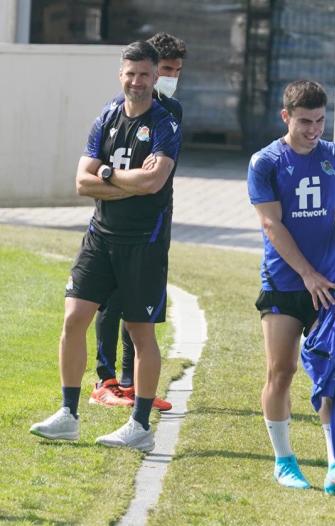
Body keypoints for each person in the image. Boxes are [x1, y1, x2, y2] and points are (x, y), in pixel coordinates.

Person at [29, 40, 181, 452]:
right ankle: (68, 414)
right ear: (121, 75)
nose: (137, 82)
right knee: (74, 317)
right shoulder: (107, 116)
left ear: (156, 77)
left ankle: (140, 424)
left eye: (145, 75)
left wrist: (107, 175)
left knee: (139, 332)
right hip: (100, 235)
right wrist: (122, 177)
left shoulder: (165, 124)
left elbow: (154, 183)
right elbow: (82, 182)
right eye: (130, 74)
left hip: (143, 243)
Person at [248, 80, 335, 494]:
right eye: (305, 122)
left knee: (331, 374)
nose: (314, 129)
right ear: (286, 117)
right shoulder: (265, 162)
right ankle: (284, 462)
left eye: (320, 120)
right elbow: (271, 224)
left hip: (330, 283)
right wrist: (306, 274)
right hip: (285, 283)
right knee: (281, 371)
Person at [90, 32, 186, 411]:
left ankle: (131, 383)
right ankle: (105, 377)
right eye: (164, 69)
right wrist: (122, 178)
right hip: (115, 220)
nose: (169, 77)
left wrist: (118, 177)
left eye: (177, 70)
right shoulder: (117, 110)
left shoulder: (170, 111)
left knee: (139, 303)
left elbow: (155, 178)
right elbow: (92, 172)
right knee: (108, 299)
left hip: (154, 220)